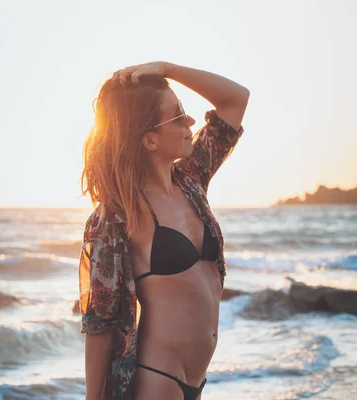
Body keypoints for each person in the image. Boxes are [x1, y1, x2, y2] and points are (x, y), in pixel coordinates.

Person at [78, 61, 249, 399]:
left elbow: (235, 100)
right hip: (155, 382)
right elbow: (100, 322)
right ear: (150, 140)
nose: (191, 121)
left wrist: (167, 68)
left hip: (197, 383)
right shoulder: (115, 218)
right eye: (178, 115)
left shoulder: (191, 180)